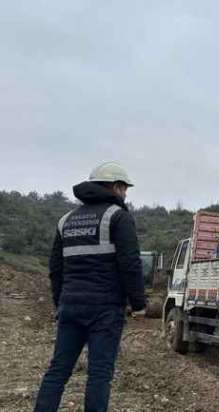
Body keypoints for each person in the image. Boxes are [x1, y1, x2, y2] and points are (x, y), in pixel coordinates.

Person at [34, 162, 146, 412]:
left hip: (70, 306)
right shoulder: (118, 217)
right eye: (124, 188)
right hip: (105, 309)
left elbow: (55, 269)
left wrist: (59, 303)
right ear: (116, 187)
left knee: (58, 370)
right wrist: (138, 304)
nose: (125, 194)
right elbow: (130, 263)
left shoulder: (65, 221)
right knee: (99, 374)